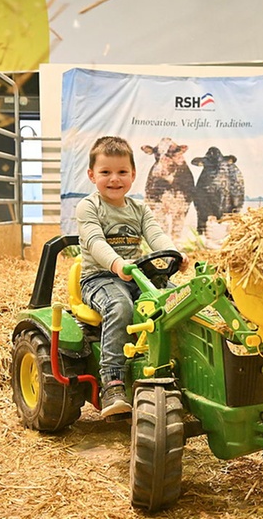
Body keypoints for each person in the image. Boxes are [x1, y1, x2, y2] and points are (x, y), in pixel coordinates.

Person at [76, 136, 189, 418]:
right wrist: (117, 264)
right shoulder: (89, 207)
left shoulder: (139, 209)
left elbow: (156, 235)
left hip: (136, 275)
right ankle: (112, 381)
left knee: (175, 301)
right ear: (92, 175)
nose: (114, 179)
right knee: (121, 306)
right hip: (100, 278)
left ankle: (177, 365)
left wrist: (175, 252)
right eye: (105, 172)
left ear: (133, 175)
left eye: (122, 172)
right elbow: (94, 242)